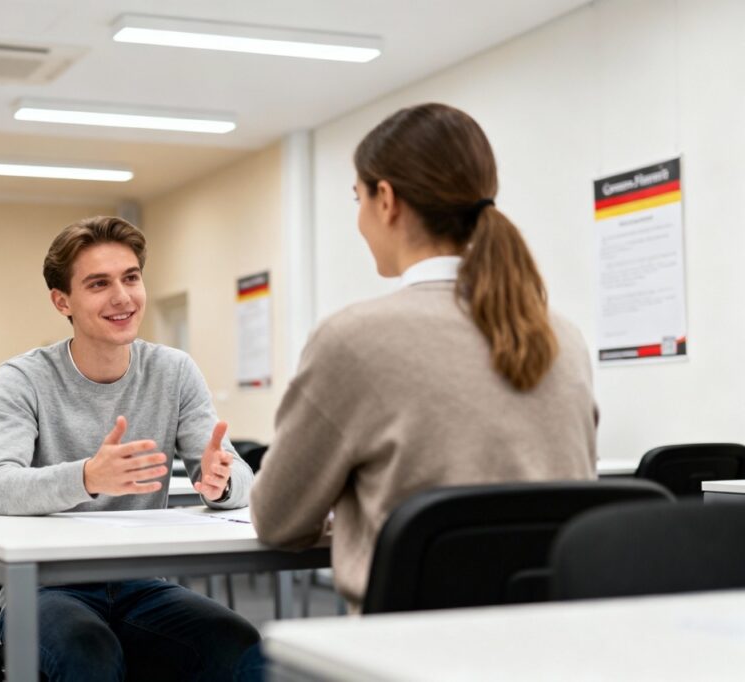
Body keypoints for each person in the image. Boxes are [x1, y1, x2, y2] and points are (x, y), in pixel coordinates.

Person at [250, 103, 597, 612]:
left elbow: (279, 519)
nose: (361, 219)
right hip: (549, 646)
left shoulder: (352, 339)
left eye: (358, 198)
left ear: (386, 199)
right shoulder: (563, 337)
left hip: (406, 651)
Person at [0, 215, 259, 682]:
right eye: (99, 283)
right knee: (89, 656)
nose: (122, 296)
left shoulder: (174, 371)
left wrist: (224, 481)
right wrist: (86, 477)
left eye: (131, 278)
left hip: (141, 582)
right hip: (45, 586)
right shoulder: (23, 378)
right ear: (61, 300)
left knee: (240, 646)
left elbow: (237, 477)